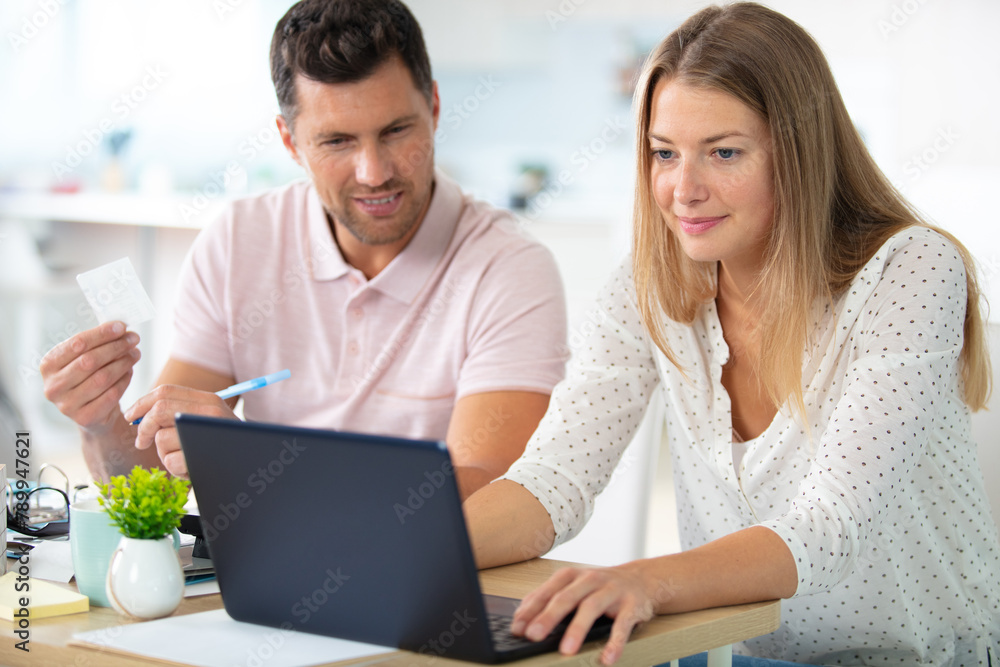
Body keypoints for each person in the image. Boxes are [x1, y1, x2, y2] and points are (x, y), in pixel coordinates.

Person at [464, 3, 1000, 666]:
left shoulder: (911, 270)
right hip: (733, 655)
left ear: (800, 155)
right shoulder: (647, 286)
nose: (682, 189)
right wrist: (404, 555)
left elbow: (825, 528)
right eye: (664, 153)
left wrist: (646, 578)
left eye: (723, 152)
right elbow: (553, 480)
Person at [39, 0, 568, 501]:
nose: (374, 172)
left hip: (430, 588)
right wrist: (101, 422)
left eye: (396, 130)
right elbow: (150, 486)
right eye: (337, 141)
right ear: (290, 142)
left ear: (432, 106)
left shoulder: (508, 269)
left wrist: (254, 461)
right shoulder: (238, 243)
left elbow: (494, 498)